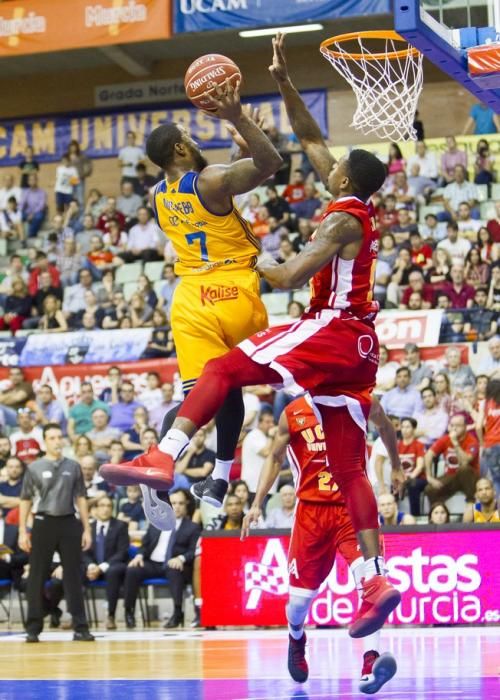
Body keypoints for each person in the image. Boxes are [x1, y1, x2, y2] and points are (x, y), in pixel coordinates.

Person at [101, 34, 402, 640]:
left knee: (222, 372)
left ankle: (167, 458)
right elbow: (311, 141)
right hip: (360, 355)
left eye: (337, 165)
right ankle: (374, 579)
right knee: (350, 471)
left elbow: (291, 274)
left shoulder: (344, 216)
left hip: (330, 330)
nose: (328, 163)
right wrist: (285, 81)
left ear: (347, 176)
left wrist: (251, 265)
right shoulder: (347, 196)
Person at [242, 395, 398, 692]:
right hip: (311, 513)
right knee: (299, 602)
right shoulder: (293, 413)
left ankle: (370, 663)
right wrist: (256, 503)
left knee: (373, 585)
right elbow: (274, 459)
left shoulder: (358, 401)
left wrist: (397, 466)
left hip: (353, 507)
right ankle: (296, 635)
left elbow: (387, 427)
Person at [18, 423, 94, 643]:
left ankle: (81, 627)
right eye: (51, 438)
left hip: (69, 522)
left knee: (73, 576)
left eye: (59, 437)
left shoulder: (73, 466)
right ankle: (33, 628)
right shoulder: (34, 467)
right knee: (36, 576)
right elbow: (25, 499)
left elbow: (81, 497)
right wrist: (23, 530)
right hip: (43, 522)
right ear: (44, 441)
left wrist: (87, 528)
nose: (57, 441)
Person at [121, 489, 201, 629]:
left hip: (175, 565)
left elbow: (193, 551)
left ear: (186, 505)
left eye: (180, 503)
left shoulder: (193, 527)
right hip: (153, 563)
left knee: (174, 569)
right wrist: (139, 555)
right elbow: (144, 545)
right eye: (173, 503)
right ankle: (129, 612)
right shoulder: (157, 523)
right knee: (132, 569)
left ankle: (177, 613)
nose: (176, 506)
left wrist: (181, 558)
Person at [82, 494, 130, 630]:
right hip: (92, 566)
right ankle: (77, 616)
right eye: (102, 506)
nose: (106, 509)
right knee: (76, 570)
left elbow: (122, 552)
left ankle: (110, 616)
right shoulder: (88, 527)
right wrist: (91, 565)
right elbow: (83, 552)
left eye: (109, 506)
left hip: (112, 565)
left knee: (113, 572)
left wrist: (102, 567)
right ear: (95, 510)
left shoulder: (120, 526)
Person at [424, 413, 480, 506]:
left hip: (469, 477)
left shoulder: (472, 441)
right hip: (451, 476)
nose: (454, 428)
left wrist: (455, 443)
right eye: (452, 425)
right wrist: (429, 477)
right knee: (430, 489)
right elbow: (428, 455)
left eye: (458, 425)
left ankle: (471, 503)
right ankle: (439, 513)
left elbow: (465, 462)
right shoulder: (445, 439)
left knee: (464, 469)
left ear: (465, 427)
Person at [476, 378, 500, 494]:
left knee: (496, 479)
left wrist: (482, 444)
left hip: (491, 443)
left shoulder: (484, 403)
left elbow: (478, 426)